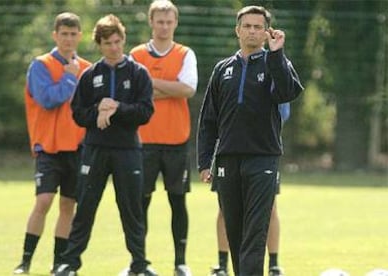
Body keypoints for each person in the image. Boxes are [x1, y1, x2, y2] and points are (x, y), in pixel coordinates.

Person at [197, 5, 303, 276]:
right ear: (238, 30)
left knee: (255, 234)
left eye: (258, 27)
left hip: (263, 159)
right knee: (235, 234)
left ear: (267, 32)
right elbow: (208, 120)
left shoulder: (275, 62)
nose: (253, 31)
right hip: (228, 160)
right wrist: (205, 161)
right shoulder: (222, 70)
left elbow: (287, 93)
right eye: (248, 26)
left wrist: (277, 54)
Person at [54, 14, 156, 276]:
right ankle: (70, 263)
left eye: (117, 41)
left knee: (132, 209)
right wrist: (98, 111)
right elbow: (78, 113)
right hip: (95, 149)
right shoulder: (90, 75)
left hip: (128, 150)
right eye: (108, 42)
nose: (114, 47)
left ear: (123, 40)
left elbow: (145, 111)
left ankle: (139, 264)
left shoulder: (138, 73)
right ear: (99, 44)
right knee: (85, 206)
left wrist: (117, 108)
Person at [13, 12, 91, 275]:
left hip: (77, 149)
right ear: (54, 35)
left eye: (73, 34)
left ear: (79, 36)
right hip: (47, 147)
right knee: (44, 201)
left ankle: (60, 263)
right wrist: (70, 77)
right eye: (63, 34)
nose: (68, 39)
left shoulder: (88, 68)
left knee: (68, 205)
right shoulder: (40, 65)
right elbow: (47, 100)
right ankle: (25, 261)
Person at [129, 1, 198, 275]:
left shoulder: (185, 53)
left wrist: (150, 83)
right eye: (160, 21)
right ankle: (138, 262)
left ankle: (180, 262)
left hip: (176, 141)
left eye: (169, 22)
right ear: (151, 22)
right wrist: (171, 88)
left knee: (177, 202)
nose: (165, 26)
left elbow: (188, 89)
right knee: (139, 203)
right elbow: (132, 94)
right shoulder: (135, 54)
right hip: (142, 141)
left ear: (176, 23)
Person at [209, 104, 290, 276]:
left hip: (263, 151)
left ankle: (273, 264)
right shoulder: (225, 76)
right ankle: (223, 264)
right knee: (225, 208)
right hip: (229, 150)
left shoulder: (273, 77)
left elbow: (284, 111)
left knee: (270, 207)